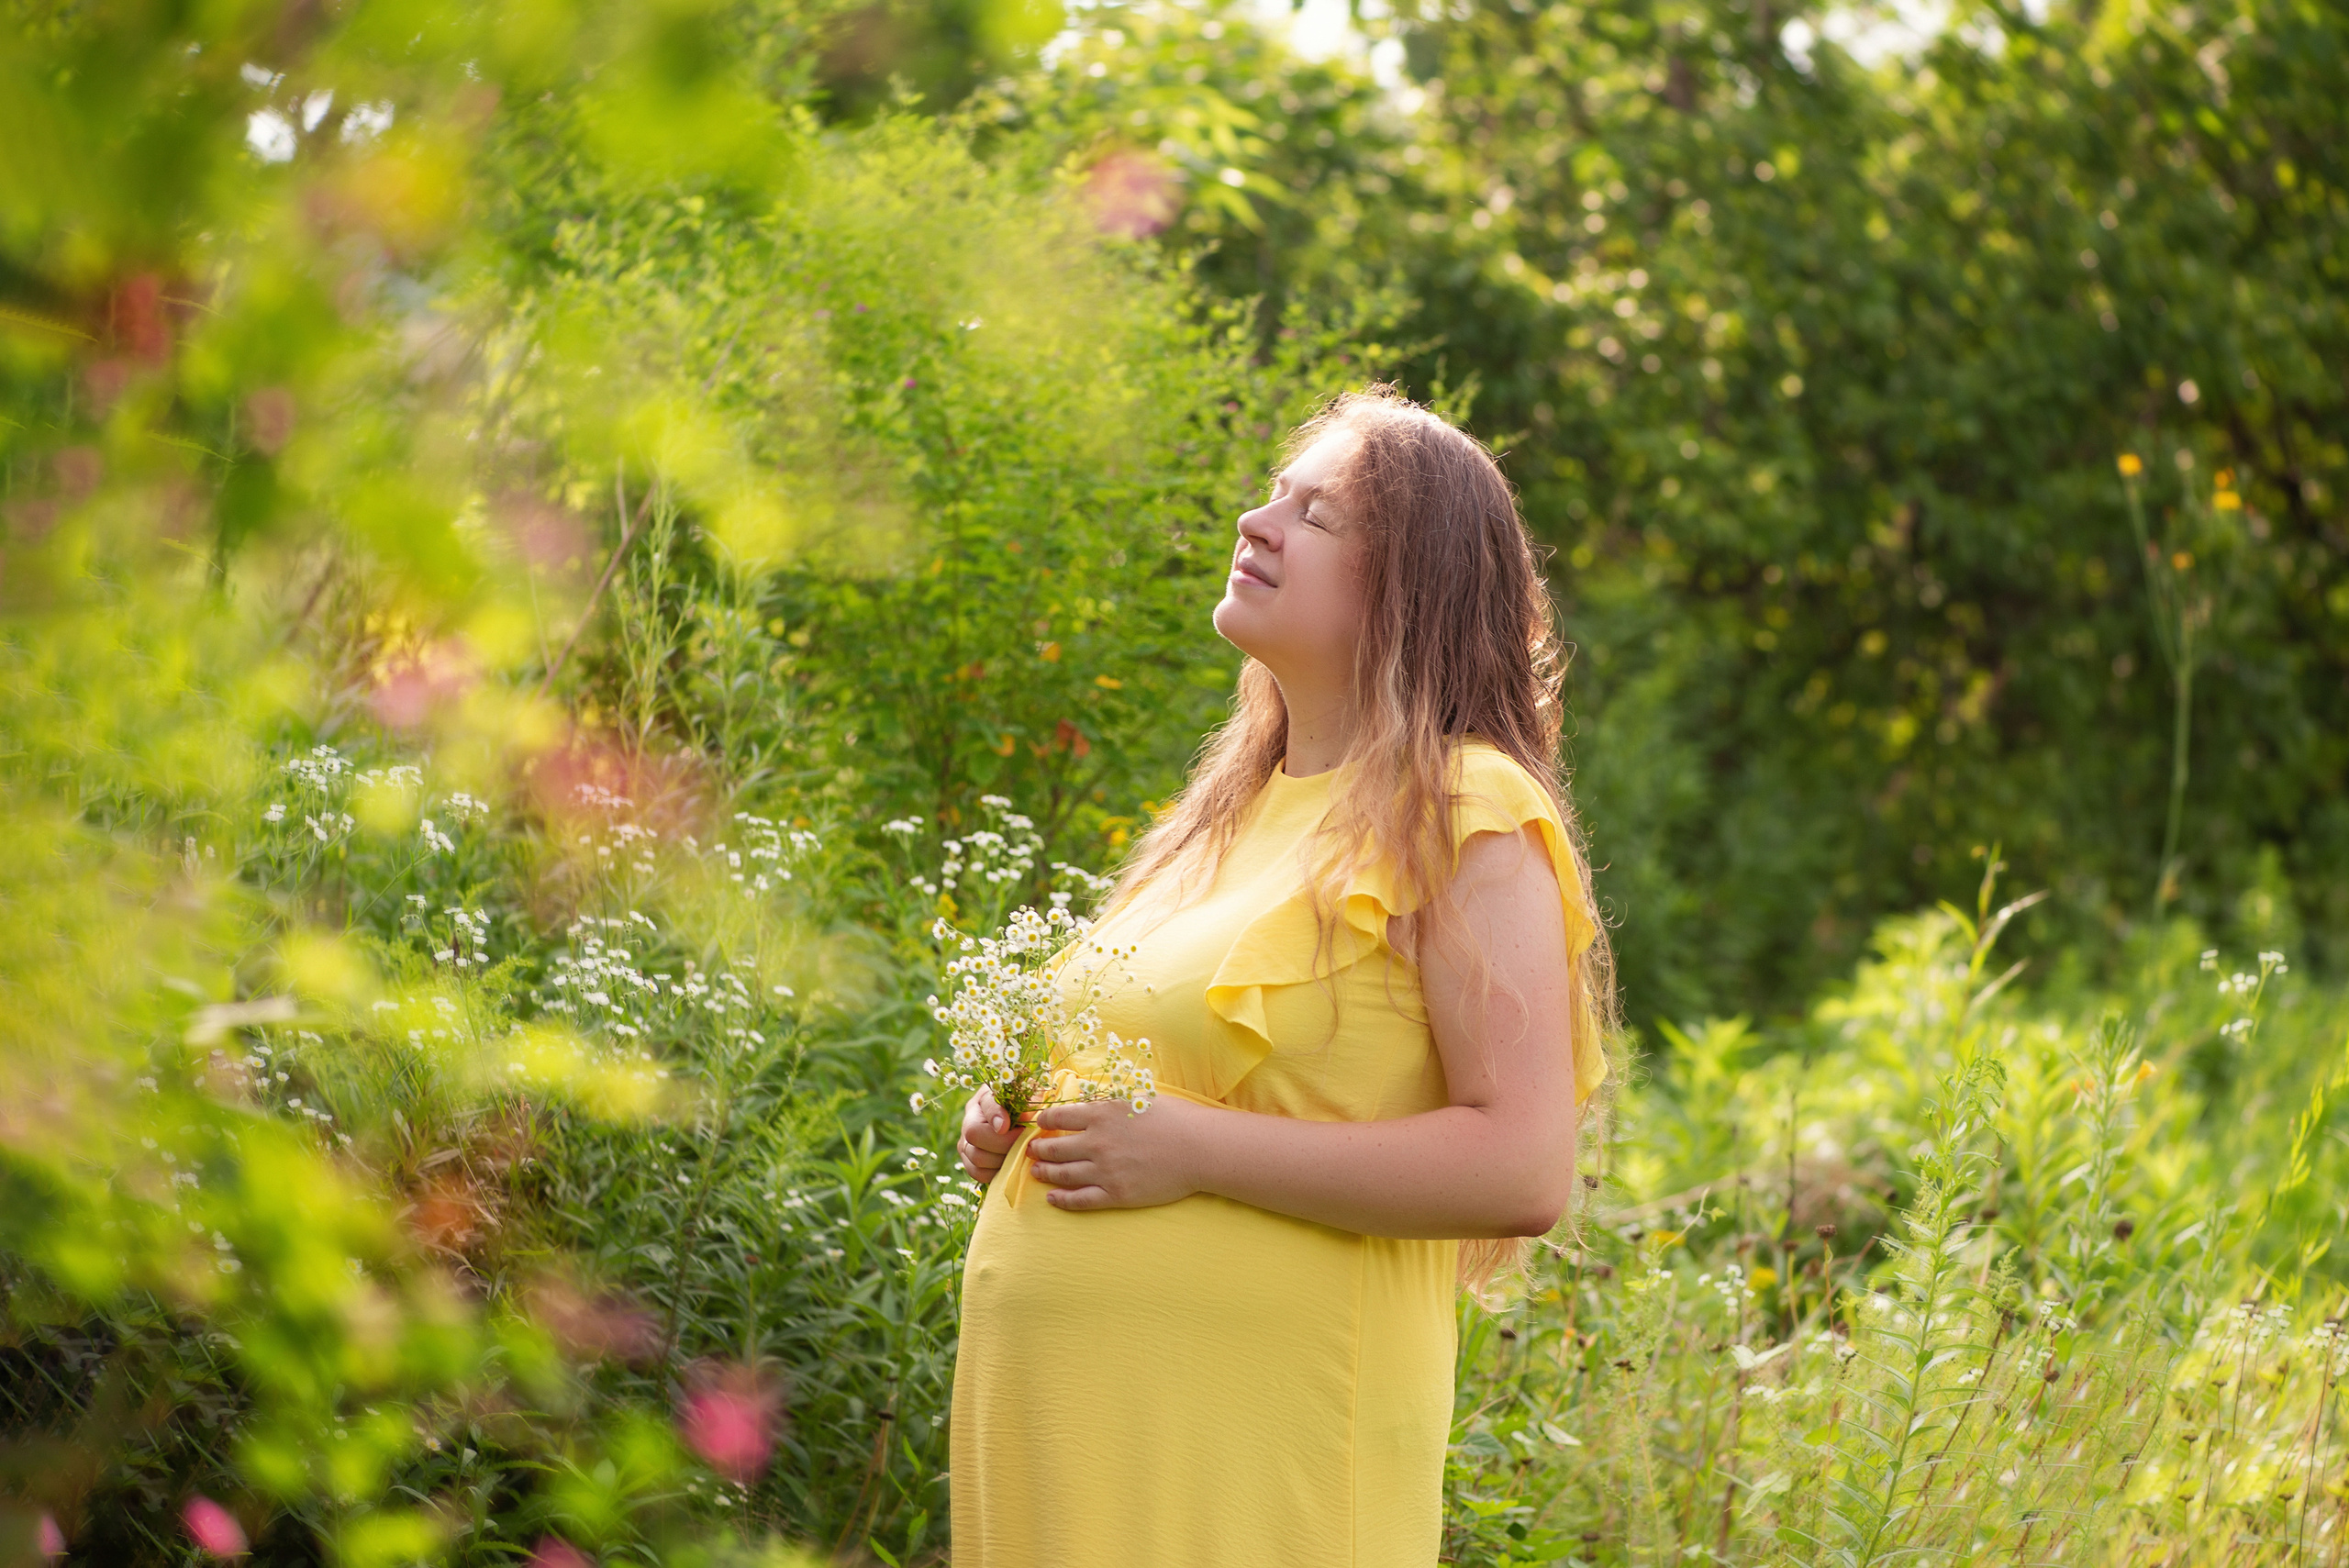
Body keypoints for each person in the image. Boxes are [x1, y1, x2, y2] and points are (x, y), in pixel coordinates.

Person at [947, 385, 1614, 1568]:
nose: (1258, 523)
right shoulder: (1227, 817)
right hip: (1078, 1443)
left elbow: (1523, 1166)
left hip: (1266, 1458)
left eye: (1318, 515)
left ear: (1412, 586)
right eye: (1274, 495)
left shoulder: (1469, 810)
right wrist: (1029, 1123)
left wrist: (1190, 1150)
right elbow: (1157, 1091)